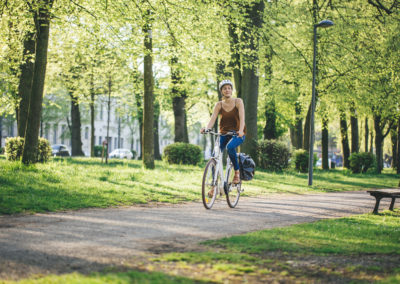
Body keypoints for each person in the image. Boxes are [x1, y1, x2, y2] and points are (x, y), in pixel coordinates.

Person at [201, 79, 246, 185]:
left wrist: (240, 130)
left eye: (229, 88)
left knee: (230, 147)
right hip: (224, 133)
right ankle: (214, 185)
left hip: (238, 133)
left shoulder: (238, 101)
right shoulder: (219, 105)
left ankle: (237, 172)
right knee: (214, 155)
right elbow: (213, 119)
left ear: (231, 90)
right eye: (225, 88)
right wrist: (207, 129)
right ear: (221, 91)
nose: (227, 90)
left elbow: (242, 117)